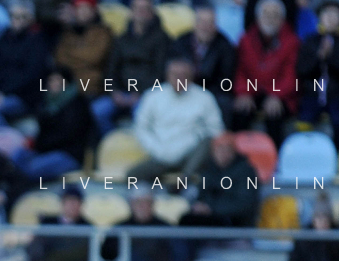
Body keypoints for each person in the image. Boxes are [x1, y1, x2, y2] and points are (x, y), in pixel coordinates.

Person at [130, 58, 224, 183]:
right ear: (167, 75)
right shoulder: (152, 96)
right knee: (132, 175)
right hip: (160, 154)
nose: (179, 79)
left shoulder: (205, 97)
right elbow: (141, 127)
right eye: (175, 75)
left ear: (191, 76)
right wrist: (156, 149)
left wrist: (193, 140)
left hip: (190, 155)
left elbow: (216, 129)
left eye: (184, 75)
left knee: (207, 142)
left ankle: (183, 182)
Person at [0, 0, 50, 127]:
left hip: (23, 97)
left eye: (22, 17)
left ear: (30, 19)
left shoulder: (38, 42)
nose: (17, 20)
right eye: (14, 16)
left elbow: (30, 76)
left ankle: (7, 136)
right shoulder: (5, 36)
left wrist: (2, 94)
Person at [95, 0, 172, 135]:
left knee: (141, 112)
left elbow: (160, 73)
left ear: (152, 13)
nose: (141, 13)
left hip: (147, 95)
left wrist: (140, 93)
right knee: (98, 110)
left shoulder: (162, 39)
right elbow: (111, 69)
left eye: (145, 9)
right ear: (131, 12)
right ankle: (112, 142)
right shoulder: (121, 39)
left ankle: (137, 145)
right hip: (121, 92)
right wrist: (114, 91)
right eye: (137, 8)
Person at [233, 0, 299, 147]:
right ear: (258, 17)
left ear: (282, 19)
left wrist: (276, 95)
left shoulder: (292, 42)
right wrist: (243, 92)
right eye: (266, 14)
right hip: (253, 91)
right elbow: (240, 71)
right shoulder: (245, 40)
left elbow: (291, 77)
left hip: (280, 94)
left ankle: (275, 155)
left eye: (275, 15)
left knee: (274, 113)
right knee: (240, 110)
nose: (270, 19)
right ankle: (238, 154)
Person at [296, 0, 339, 152]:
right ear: (320, 17)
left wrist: (330, 58)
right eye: (326, 13)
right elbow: (302, 70)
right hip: (312, 94)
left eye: (334, 14)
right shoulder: (310, 41)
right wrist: (318, 57)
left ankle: (337, 155)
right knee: (303, 122)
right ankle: (305, 154)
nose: (330, 18)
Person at [11, 66, 93, 179]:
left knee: (31, 169)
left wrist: (38, 144)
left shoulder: (77, 104)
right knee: (17, 156)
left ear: (67, 82)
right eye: (51, 80)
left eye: (57, 80)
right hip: (46, 151)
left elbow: (67, 135)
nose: (53, 84)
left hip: (68, 154)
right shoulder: (47, 103)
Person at [169, 3, 237, 126]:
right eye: (202, 22)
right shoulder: (181, 42)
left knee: (225, 101)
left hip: (211, 91)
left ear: (215, 25)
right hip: (183, 87)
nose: (205, 27)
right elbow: (172, 69)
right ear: (195, 24)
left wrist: (199, 93)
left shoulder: (225, 46)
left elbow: (225, 80)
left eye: (210, 23)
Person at [177, 132, 261, 228]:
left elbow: (245, 203)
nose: (224, 153)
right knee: (185, 220)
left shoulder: (246, 171)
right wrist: (201, 206)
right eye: (220, 149)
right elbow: (201, 194)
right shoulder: (207, 170)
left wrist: (211, 208)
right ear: (213, 151)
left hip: (235, 223)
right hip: (210, 219)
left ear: (234, 152)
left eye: (228, 149)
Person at [53, 0, 112, 99]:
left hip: (94, 87)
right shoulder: (68, 33)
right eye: (79, 9)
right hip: (68, 84)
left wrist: (71, 55)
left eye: (86, 9)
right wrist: (83, 57)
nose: (82, 12)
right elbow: (59, 58)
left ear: (94, 11)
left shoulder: (103, 32)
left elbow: (94, 57)